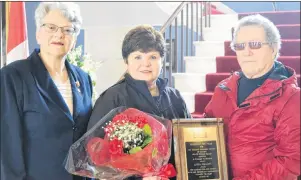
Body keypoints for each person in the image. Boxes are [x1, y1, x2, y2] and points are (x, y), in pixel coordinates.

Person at [1, 2, 93, 180]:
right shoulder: (12, 76)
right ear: (38, 33)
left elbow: (86, 136)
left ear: (74, 38)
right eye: (51, 27)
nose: (59, 34)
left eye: (68, 30)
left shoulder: (83, 78)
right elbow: (7, 145)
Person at [87, 25, 191, 180]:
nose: (146, 63)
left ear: (162, 60)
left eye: (153, 57)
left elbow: (189, 143)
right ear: (126, 61)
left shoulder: (175, 97)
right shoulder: (112, 98)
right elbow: (95, 156)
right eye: (138, 57)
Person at [203, 14, 300, 179]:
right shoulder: (223, 89)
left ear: (273, 48)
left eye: (254, 44)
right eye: (240, 46)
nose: (246, 52)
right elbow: (205, 131)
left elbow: (290, 161)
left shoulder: (291, 98)